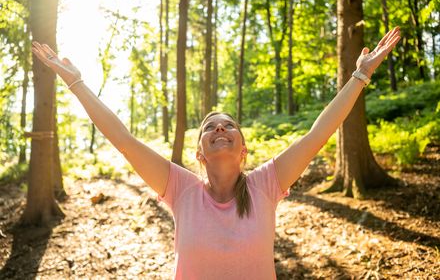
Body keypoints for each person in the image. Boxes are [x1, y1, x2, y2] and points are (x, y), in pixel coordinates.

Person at [31, 26, 400, 279]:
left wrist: (359, 77)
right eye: (210, 126)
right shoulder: (180, 188)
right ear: (200, 153)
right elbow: (124, 140)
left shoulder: (266, 183)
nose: (220, 128)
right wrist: (75, 82)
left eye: (228, 124)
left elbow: (317, 134)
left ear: (243, 149)